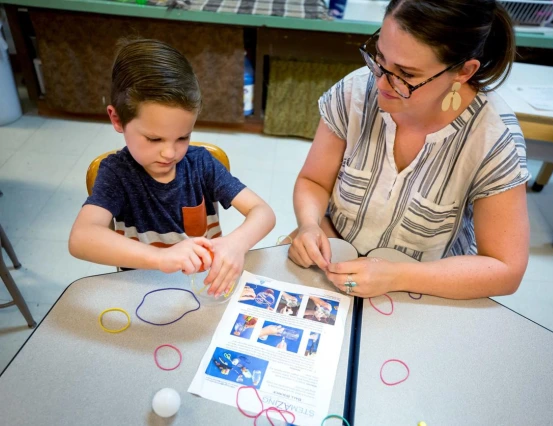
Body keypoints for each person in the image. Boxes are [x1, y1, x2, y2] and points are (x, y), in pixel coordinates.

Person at [288, 0, 529, 300]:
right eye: (379, 57)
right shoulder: (353, 93)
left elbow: (506, 269)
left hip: (425, 292)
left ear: (463, 71)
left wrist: (396, 276)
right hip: (335, 263)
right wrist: (310, 226)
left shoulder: (492, 139)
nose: (381, 82)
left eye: (406, 74)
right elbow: (314, 181)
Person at [69, 39, 275, 298]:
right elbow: (81, 238)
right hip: (144, 289)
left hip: (201, 285)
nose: (170, 153)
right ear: (117, 119)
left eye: (183, 137)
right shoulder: (116, 174)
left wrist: (236, 243)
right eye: (154, 139)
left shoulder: (200, 163)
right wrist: (160, 257)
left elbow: (263, 212)